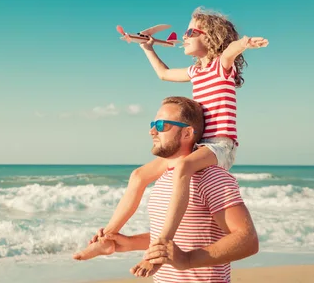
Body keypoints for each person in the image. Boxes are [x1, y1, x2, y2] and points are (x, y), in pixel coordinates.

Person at [73, 7, 267, 276]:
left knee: (183, 168)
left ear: (211, 38)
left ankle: (162, 245)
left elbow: (231, 51)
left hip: (220, 145)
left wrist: (244, 43)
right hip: (200, 145)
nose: (184, 36)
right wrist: (147, 48)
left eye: (190, 31)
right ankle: (107, 237)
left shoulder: (220, 66)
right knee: (139, 175)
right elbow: (163, 74)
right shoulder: (196, 72)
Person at [100, 96, 259, 282]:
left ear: (187, 133)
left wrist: (187, 259)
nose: (152, 131)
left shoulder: (211, 177)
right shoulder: (163, 179)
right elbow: (183, 236)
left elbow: (248, 240)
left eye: (161, 125)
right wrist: (128, 243)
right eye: (153, 124)